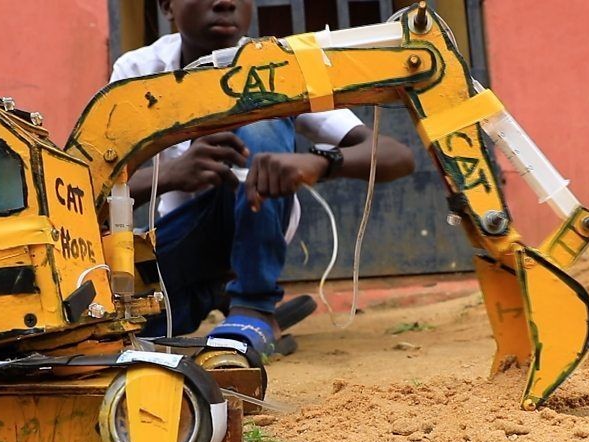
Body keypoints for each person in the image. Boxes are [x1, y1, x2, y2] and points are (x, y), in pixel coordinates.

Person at [112, 0, 415, 354]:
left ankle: (253, 304)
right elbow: (92, 191)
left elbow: (398, 156)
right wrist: (170, 175)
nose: (225, 2)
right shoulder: (138, 71)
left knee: (261, 115)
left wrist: (320, 162)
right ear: (166, 6)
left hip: (252, 224)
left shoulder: (276, 66)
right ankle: (223, 297)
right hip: (175, 245)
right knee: (115, 330)